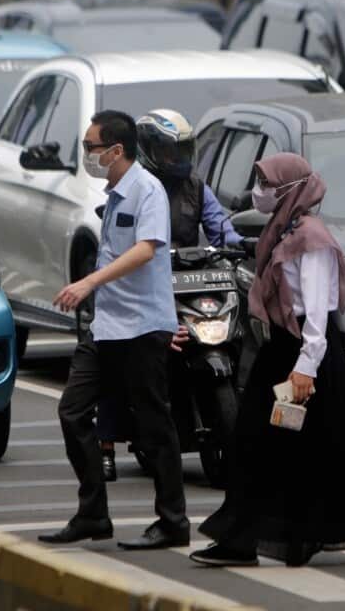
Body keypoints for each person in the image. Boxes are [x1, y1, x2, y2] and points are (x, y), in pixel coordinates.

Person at [191, 153, 345, 567]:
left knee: (341, 444)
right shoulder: (282, 229)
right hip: (283, 348)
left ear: (292, 190)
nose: (261, 192)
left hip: (309, 353)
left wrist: (305, 367)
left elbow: (319, 310)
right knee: (268, 442)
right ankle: (243, 538)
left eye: (268, 185)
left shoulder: (312, 239)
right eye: (260, 183)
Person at [39, 111, 189, 551]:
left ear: (115, 151)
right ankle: (93, 514)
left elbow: (147, 249)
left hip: (142, 327)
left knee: (153, 424)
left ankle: (173, 521)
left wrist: (89, 282)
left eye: (91, 147)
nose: (87, 155)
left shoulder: (147, 191)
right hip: (107, 326)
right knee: (73, 411)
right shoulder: (114, 193)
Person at [95, 109, 242, 482]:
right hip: (145, 288)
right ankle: (106, 445)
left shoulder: (194, 184)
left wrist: (239, 244)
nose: (178, 159)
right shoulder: (137, 185)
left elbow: (220, 225)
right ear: (147, 149)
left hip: (192, 281)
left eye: (183, 150)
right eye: (169, 151)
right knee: (118, 361)